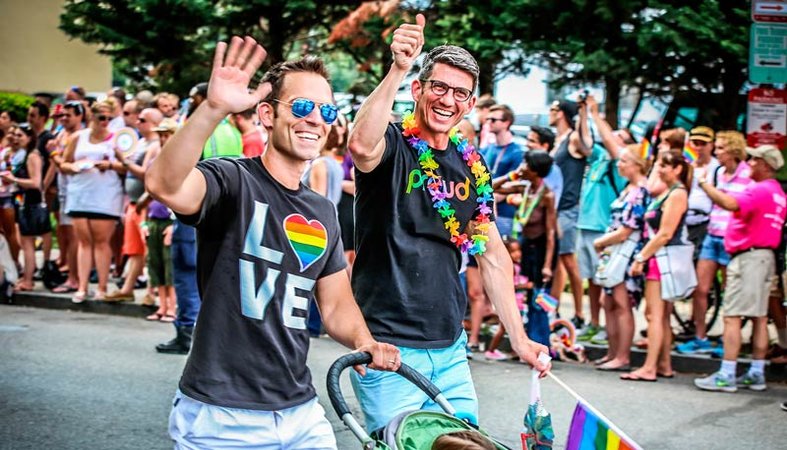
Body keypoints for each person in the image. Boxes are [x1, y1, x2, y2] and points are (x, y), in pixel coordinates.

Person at [145, 35, 400, 448]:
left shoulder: (322, 211)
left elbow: (334, 302)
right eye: (301, 106)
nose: (314, 119)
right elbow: (163, 184)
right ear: (266, 113)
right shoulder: (232, 179)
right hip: (220, 415)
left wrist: (364, 341)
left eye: (326, 110)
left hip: (300, 411)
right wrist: (213, 108)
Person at [346, 15, 549, 433]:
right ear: (418, 89)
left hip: (451, 348)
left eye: (460, 93)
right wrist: (399, 67)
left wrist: (519, 337)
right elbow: (360, 145)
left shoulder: (471, 165)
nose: (447, 100)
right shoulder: (393, 145)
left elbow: (492, 257)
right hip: (388, 346)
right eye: (438, 87)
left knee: (464, 444)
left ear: (471, 104)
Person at [694, 144, 787, 393]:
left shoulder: (759, 190)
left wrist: (703, 184)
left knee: (732, 316)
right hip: (764, 257)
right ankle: (756, 372)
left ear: (766, 165)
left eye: (755, 159)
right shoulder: (777, 191)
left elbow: (729, 203)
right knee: (759, 317)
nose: (750, 163)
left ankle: (726, 374)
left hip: (748, 258)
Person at [621, 149, 692, 382]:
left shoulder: (677, 194)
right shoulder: (669, 192)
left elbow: (665, 233)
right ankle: (663, 364)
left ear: (677, 169)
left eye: (663, 166)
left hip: (662, 259)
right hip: (661, 258)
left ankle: (649, 367)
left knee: (654, 315)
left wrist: (641, 257)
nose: (658, 170)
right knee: (660, 316)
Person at [677, 131, 750, 355]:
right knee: (701, 288)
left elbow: (732, 203)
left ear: (733, 151)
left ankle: (729, 341)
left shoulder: (746, 174)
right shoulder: (718, 172)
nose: (716, 153)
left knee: (730, 291)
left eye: (720, 149)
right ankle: (700, 336)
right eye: (716, 148)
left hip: (732, 237)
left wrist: (707, 187)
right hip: (713, 233)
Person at [574, 95, 630, 344]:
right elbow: (584, 142)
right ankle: (595, 324)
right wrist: (583, 113)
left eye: (621, 137)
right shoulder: (598, 159)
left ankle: (610, 329)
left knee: (605, 280)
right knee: (591, 279)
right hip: (585, 225)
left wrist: (597, 114)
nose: (613, 138)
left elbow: (609, 141)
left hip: (603, 229)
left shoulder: (621, 165)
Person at [60, 100, 126, 303]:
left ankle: (102, 286)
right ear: (93, 118)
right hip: (80, 193)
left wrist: (110, 165)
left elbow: (127, 166)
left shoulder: (116, 139)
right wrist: (74, 167)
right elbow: (64, 163)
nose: (105, 122)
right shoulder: (78, 137)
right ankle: (82, 286)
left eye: (109, 118)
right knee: (84, 242)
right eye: (101, 118)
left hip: (105, 196)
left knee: (101, 241)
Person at [591, 144, 650, 371]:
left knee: (622, 303)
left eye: (624, 161)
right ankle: (612, 351)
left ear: (637, 164)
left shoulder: (640, 191)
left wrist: (601, 242)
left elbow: (627, 229)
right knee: (607, 302)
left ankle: (623, 355)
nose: (619, 164)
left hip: (626, 252)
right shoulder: (628, 188)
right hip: (614, 251)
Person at [547, 98, 593, 331]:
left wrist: (584, 114)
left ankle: (579, 313)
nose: (550, 113)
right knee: (556, 263)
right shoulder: (558, 140)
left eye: (553, 110)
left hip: (567, 207)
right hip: (554, 209)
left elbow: (587, 146)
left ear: (562, 113)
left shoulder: (574, 137)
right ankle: (552, 310)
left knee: (568, 260)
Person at [0, 125, 47, 291]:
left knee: (27, 243)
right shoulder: (20, 155)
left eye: (20, 135)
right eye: (15, 135)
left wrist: (13, 180)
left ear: (29, 137)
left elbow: (35, 182)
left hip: (30, 201)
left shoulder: (32, 156)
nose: (16, 138)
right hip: (21, 200)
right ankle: (25, 277)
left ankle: (28, 279)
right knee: (24, 240)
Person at [481, 104, 524, 238]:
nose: (489, 123)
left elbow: (515, 185)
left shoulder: (517, 152)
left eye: (493, 120)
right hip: (485, 210)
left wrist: (490, 197)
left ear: (506, 123)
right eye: (487, 119)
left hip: (504, 213)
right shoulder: (487, 149)